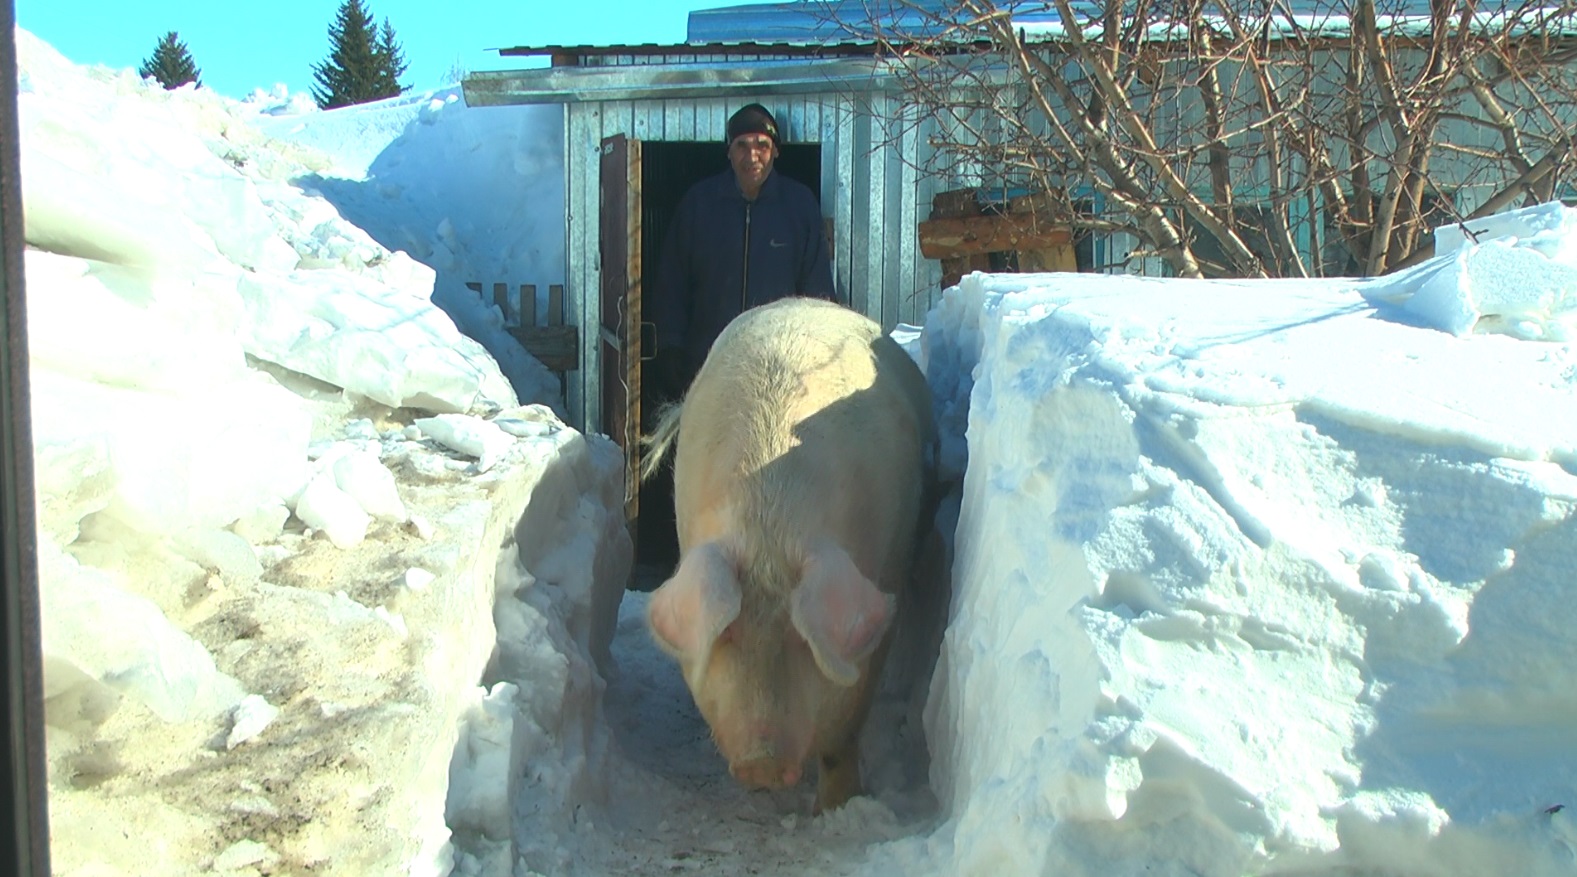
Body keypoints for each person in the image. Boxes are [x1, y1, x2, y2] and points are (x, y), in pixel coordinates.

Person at [649, 103, 838, 402]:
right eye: (742, 145)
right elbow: (671, 283)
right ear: (728, 151)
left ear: (776, 150)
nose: (752, 156)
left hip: (777, 368)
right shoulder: (699, 204)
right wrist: (670, 347)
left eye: (762, 145)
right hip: (707, 365)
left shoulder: (799, 206)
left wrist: (816, 357)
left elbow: (817, 292)